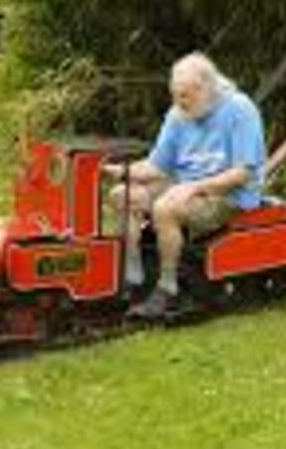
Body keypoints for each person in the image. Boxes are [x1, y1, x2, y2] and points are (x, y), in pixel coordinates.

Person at [105, 52, 266, 319]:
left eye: (185, 96)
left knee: (166, 208)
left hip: (230, 195)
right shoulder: (178, 114)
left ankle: (168, 287)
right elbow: (157, 166)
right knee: (123, 195)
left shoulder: (240, 109)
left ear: (206, 88)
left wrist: (193, 188)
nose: (179, 103)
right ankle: (133, 275)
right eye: (175, 95)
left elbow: (243, 174)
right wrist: (123, 172)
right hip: (184, 185)